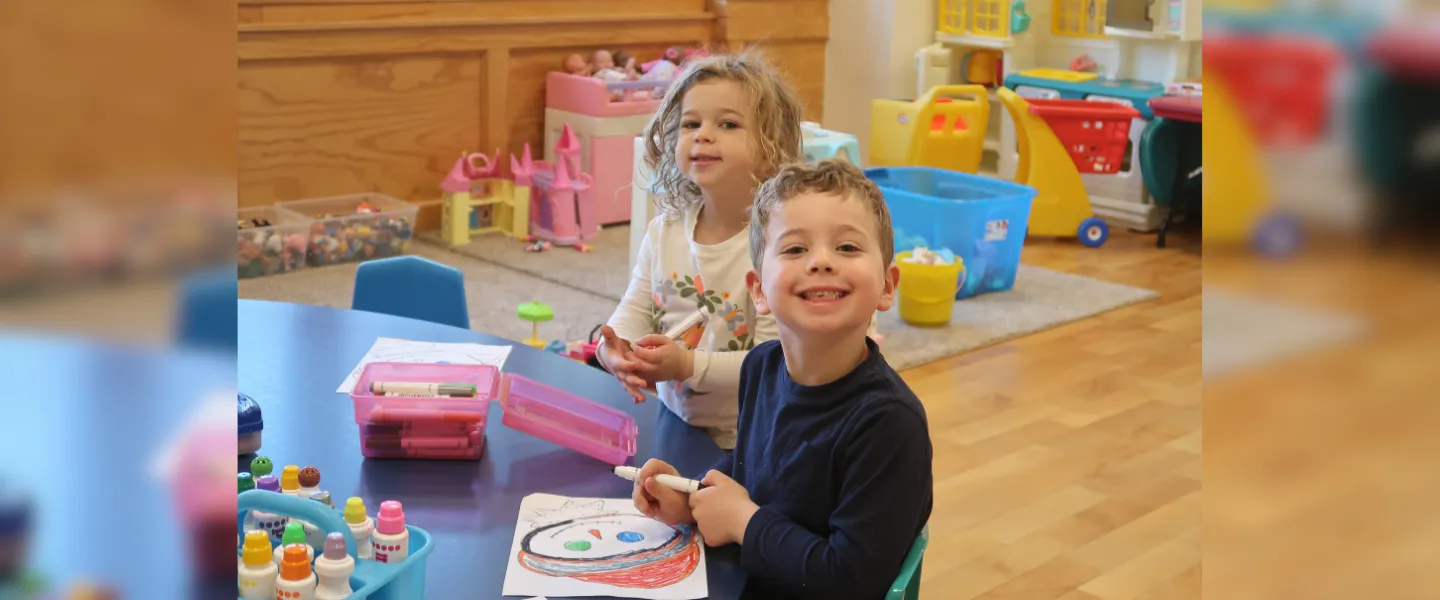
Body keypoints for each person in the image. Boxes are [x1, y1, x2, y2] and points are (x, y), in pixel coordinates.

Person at [629, 159, 934, 599]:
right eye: (795, 249)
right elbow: (754, 470)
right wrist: (691, 496)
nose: (822, 261)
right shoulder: (761, 366)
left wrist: (743, 522)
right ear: (758, 291)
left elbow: (853, 580)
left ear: (887, 286)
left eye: (847, 247)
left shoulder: (889, 423)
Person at [595, 51, 804, 450]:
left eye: (727, 124)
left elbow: (772, 361)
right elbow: (636, 309)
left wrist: (686, 366)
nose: (702, 134)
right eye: (691, 123)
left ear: (771, 147)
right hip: (676, 422)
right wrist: (615, 349)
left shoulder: (778, 247)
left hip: (755, 439)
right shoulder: (664, 231)